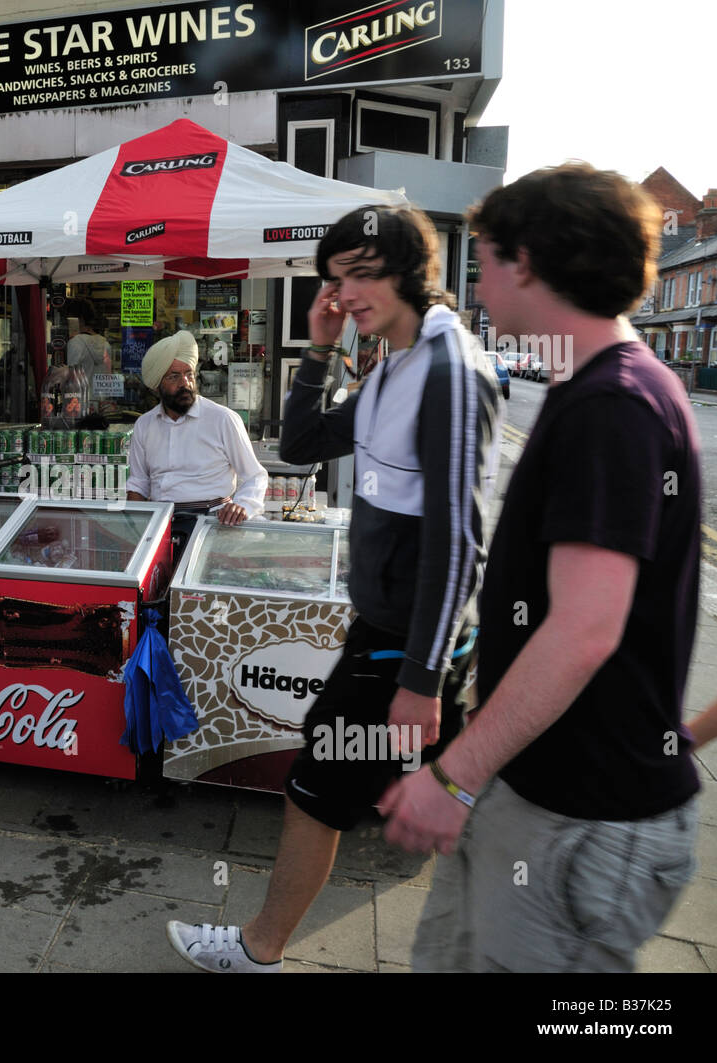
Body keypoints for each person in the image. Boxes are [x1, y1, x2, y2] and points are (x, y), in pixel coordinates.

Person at [379, 163, 702, 973]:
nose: (477, 283)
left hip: (582, 820)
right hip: (536, 794)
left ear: (527, 260)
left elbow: (586, 628)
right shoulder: (594, 386)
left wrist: (452, 776)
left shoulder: (613, 404)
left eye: (484, 258)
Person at [166, 203, 500, 972]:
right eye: (334, 277)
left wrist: (420, 677)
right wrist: (317, 350)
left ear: (414, 274)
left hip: (405, 640)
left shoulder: (448, 369)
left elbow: (460, 536)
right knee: (438, 796)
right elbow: (305, 443)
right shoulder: (398, 358)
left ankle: (259, 947)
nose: (345, 293)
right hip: (388, 627)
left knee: (316, 789)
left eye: (362, 274)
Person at [126, 330, 268, 558]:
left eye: (189, 374)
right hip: (161, 525)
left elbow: (255, 476)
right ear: (157, 386)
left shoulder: (223, 419)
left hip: (214, 526)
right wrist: (133, 532)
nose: (185, 383)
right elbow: (139, 484)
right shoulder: (145, 425)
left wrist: (243, 505)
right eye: (174, 377)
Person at [65, 299, 111, 378]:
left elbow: (71, 378)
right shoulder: (106, 345)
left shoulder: (75, 343)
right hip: (100, 390)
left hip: (80, 390)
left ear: (80, 320)